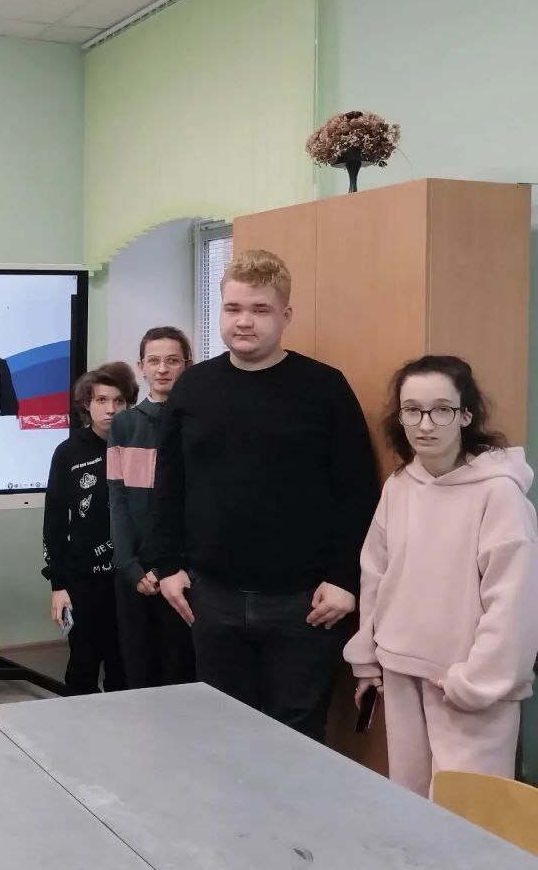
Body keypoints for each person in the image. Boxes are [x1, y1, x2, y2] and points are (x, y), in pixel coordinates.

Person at [144, 249, 379, 741]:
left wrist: (344, 578)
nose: (244, 321)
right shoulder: (193, 388)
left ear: (285, 315)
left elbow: (357, 490)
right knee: (223, 732)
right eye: (233, 308)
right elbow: (169, 484)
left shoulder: (324, 388)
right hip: (211, 598)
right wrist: (166, 566)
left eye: (260, 309)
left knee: (298, 735)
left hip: (304, 604)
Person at [345, 356, 538, 796]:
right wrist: (368, 658)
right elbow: (375, 575)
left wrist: (476, 682)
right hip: (401, 669)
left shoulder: (499, 493)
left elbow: (514, 602)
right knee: (410, 803)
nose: (425, 424)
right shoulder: (399, 486)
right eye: (412, 410)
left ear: (466, 415)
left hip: (467, 683)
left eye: (441, 410)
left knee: (469, 811)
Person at [108, 326, 196, 689]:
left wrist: (173, 566)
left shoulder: (198, 422)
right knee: (139, 669)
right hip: (134, 569)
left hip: (184, 571)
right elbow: (118, 500)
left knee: (181, 670)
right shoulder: (125, 424)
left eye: (172, 360)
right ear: (141, 366)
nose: (162, 369)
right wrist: (130, 566)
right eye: (154, 360)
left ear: (187, 365)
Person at [42, 362, 136, 695]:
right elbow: (55, 520)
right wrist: (58, 584)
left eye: (119, 401)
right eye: (101, 400)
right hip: (83, 578)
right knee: (82, 665)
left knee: (125, 666)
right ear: (87, 404)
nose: (110, 409)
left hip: (130, 578)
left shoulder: (138, 445)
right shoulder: (69, 452)